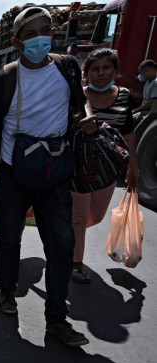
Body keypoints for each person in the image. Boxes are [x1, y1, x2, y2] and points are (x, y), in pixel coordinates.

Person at [0, 7, 90, 347]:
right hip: (13, 174)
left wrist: (86, 121)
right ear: (16, 42)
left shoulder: (67, 68)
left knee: (62, 244)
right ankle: (7, 291)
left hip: (55, 174)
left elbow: (79, 108)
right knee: (9, 238)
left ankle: (56, 318)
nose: (40, 38)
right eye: (31, 33)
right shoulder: (4, 81)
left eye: (46, 30)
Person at [70, 48, 139, 283]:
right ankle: (75, 262)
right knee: (79, 217)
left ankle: (66, 235)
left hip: (108, 169)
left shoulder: (123, 95)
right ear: (86, 73)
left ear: (116, 71)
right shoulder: (78, 95)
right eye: (95, 69)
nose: (101, 73)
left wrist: (133, 166)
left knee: (96, 216)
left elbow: (128, 132)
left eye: (106, 68)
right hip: (78, 167)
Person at [132, 59, 157, 133]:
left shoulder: (156, 83)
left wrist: (136, 110)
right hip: (143, 109)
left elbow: (152, 103)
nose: (141, 76)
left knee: (128, 119)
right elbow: (145, 97)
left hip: (148, 112)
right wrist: (133, 94)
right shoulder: (149, 81)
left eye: (142, 73)